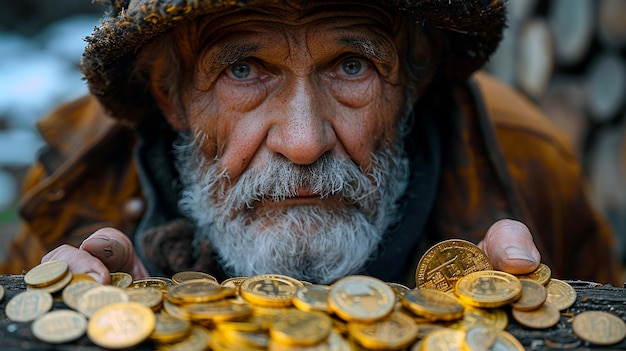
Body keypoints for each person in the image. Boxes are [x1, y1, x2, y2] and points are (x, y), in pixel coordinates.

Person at [2, 0, 622, 287]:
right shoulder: (70, 180)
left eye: (351, 65)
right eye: (242, 70)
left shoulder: (530, 164)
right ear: (170, 96)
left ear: (415, 75)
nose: (304, 143)